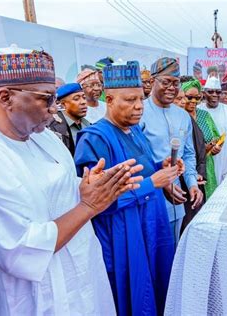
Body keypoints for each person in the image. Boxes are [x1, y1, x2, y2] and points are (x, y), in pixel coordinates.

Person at [0, 45, 143, 315]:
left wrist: (89, 188)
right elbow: (20, 251)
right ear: (6, 97)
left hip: (80, 284)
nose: (55, 109)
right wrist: (89, 206)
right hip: (29, 301)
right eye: (47, 98)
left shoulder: (44, 138)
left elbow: (58, 198)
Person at [74, 61, 177, 315]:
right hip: (124, 233)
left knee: (159, 285)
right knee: (133, 295)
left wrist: (159, 166)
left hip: (152, 224)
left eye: (141, 99)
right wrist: (154, 182)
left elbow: (140, 167)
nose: (139, 107)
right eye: (130, 100)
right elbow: (99, 200)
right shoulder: (95, 139)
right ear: (109, 99)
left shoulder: (133, 130)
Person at [140, 57, 203, 241]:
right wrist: (162, 180)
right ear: (152, 81)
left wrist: (191, 183)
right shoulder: (139, 112)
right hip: (149, 198)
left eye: (175, 83)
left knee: (173, 252)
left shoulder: (183, 116)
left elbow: (189, 154)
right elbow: (137, 157)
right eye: (166, 82)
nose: (171, 88)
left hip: (177, 201)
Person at [181, 78, 220, 200]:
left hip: (207, 165)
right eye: (190, 97)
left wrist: (216, 147)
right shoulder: (179, 117)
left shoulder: (204, 115)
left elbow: (216, 136)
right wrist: (203, 148)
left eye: (197, 98)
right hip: (187, 168)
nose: (194, 101)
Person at [48, 83, 90, 155]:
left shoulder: (89, 125)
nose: (83, 102)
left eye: (84, 97)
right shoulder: (53, 128)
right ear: (63, 104)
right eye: (76, 99)